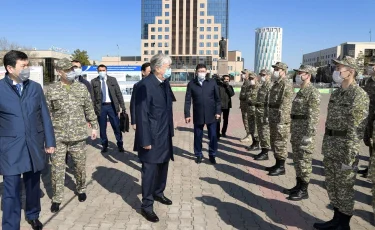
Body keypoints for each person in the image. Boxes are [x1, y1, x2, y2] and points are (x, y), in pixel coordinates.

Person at [0, 50, 56, 230]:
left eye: (28, 65)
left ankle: (33, 215)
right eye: (23, 66)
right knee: (11, 191)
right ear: (10, 68)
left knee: (32, 184)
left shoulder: (35, 88)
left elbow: (45, 116)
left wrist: (50, 141)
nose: (27, 69)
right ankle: (10, 226)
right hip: (10, 148)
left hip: (34, 145)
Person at [313, 56, 369, 229]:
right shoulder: (337, 93)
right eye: (336, 68)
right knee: (332, 184)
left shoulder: (358, 95)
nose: (336, 71)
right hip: (331, 145)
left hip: (346, 148)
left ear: (350, 71)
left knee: (344, 187)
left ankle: (344, 224)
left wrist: (350, 155)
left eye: (339, 68)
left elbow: (357, 129)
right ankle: (336, 220)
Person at [45, 58, 99, 213]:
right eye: (66, 70)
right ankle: (57, 198)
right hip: (58, 137)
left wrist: (94, 127)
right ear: (59, 72)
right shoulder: (52, 90)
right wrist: (46, 137)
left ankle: (81, 188)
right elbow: (47, 114)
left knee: (80, 166)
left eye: (71, 69)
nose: (70, 72)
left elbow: (89, 108)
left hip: (78, 136)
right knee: (57, 169)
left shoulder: (81, 88)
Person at [134, 54, 174, 223]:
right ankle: (147, 206)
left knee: (163, 167)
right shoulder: (144, 86)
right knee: (150, 172)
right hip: (151, 136)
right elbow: (141, 114)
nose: (170, 69)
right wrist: (145, 140)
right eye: (168, 66)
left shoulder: (164, 83)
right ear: (157, 68)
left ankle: (159, 193)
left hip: (164, 134)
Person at [283, 65, 320, 201]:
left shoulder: (312, 92)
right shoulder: (301, 91)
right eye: (298, 72)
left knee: (304, 161)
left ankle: (304, 190)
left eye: (301, 73)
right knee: (298, 160)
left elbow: (313, 117)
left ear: (308, 75)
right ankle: (298, 186)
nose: (298, 75)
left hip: (304, 132)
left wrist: (309, 135)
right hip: (296, 130)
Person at [184, 64, 221, 164]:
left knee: (213, 136)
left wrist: (218, 112)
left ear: (206, 72)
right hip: (198, 114)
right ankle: (198, 154)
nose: (202, 73)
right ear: (196, 72)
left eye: (203, 71)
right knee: (198, 136)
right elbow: (187, 100)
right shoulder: (191, 84)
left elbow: (218, 99)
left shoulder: (212, 83)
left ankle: (212, 154)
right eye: (200, 71)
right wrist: (187, 114)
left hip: (212, 115)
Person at [265, 62, 293, 176]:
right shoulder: (276, 83)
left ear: (283, 71)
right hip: (273, 117)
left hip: (280, 119)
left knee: (280, 142)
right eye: (274, 69)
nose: (275, 71)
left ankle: (281, 166)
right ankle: (277, 164)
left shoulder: (286, 83)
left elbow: (285, 104)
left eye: (277, 69)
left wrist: (281, 121)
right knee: (274, 141)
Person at [91, 64, 126, 153]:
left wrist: (123, 106)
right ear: (97, 71)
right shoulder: (94, 81)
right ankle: (104, 145)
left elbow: (118, 93)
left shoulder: (112, 80)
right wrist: (92, 110)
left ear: (106, 71)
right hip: (101, 107)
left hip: (112, 106)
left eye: (103, 70)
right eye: (100, 70)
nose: (102, 72)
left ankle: (120, 144)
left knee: (116, 126)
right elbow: (92, 97)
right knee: (102, 128)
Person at [360, 57, 375, 177]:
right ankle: (370, 167)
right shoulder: (367, 82)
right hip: (368, 117)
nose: (372, 67)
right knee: (369, 142)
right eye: (371, 65)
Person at [253, 69, 272, 161]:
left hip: (264, 113)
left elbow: (269, 102)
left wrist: (268, 115)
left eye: (263, 74)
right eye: (260, 74)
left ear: (268, 75)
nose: (261, 76)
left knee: (265, 133)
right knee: (260, 132)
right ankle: (263, 150)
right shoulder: (262, 85)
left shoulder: (269, 86)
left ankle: (265, 152)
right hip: (259, 112)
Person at [130, 62, 151, 131]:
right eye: (149, 72)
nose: (151, 74)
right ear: (143, 72)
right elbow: (133, 104)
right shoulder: (137, 86)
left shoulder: (158, 85)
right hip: (142, 120)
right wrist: (134, 121)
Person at [245, 71, 261, 150]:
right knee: (251, 127)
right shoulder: (248, 87)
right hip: (249, 110)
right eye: (250, 78)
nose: (251, 80)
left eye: (252, 78)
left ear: (256, 78)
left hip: (256, 110)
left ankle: (257, 144)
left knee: (256, 128)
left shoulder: (260, 88)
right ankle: (254, 143)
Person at [239, 69, 251, 142]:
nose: (243, 74)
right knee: (245, 120)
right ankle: (248, 134)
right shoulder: (245, 82)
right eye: (242, 73)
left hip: (247, 106)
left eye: (244, 73)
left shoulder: (249, 82)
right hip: (243, 105)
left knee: (247, 120)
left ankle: (249, 136)